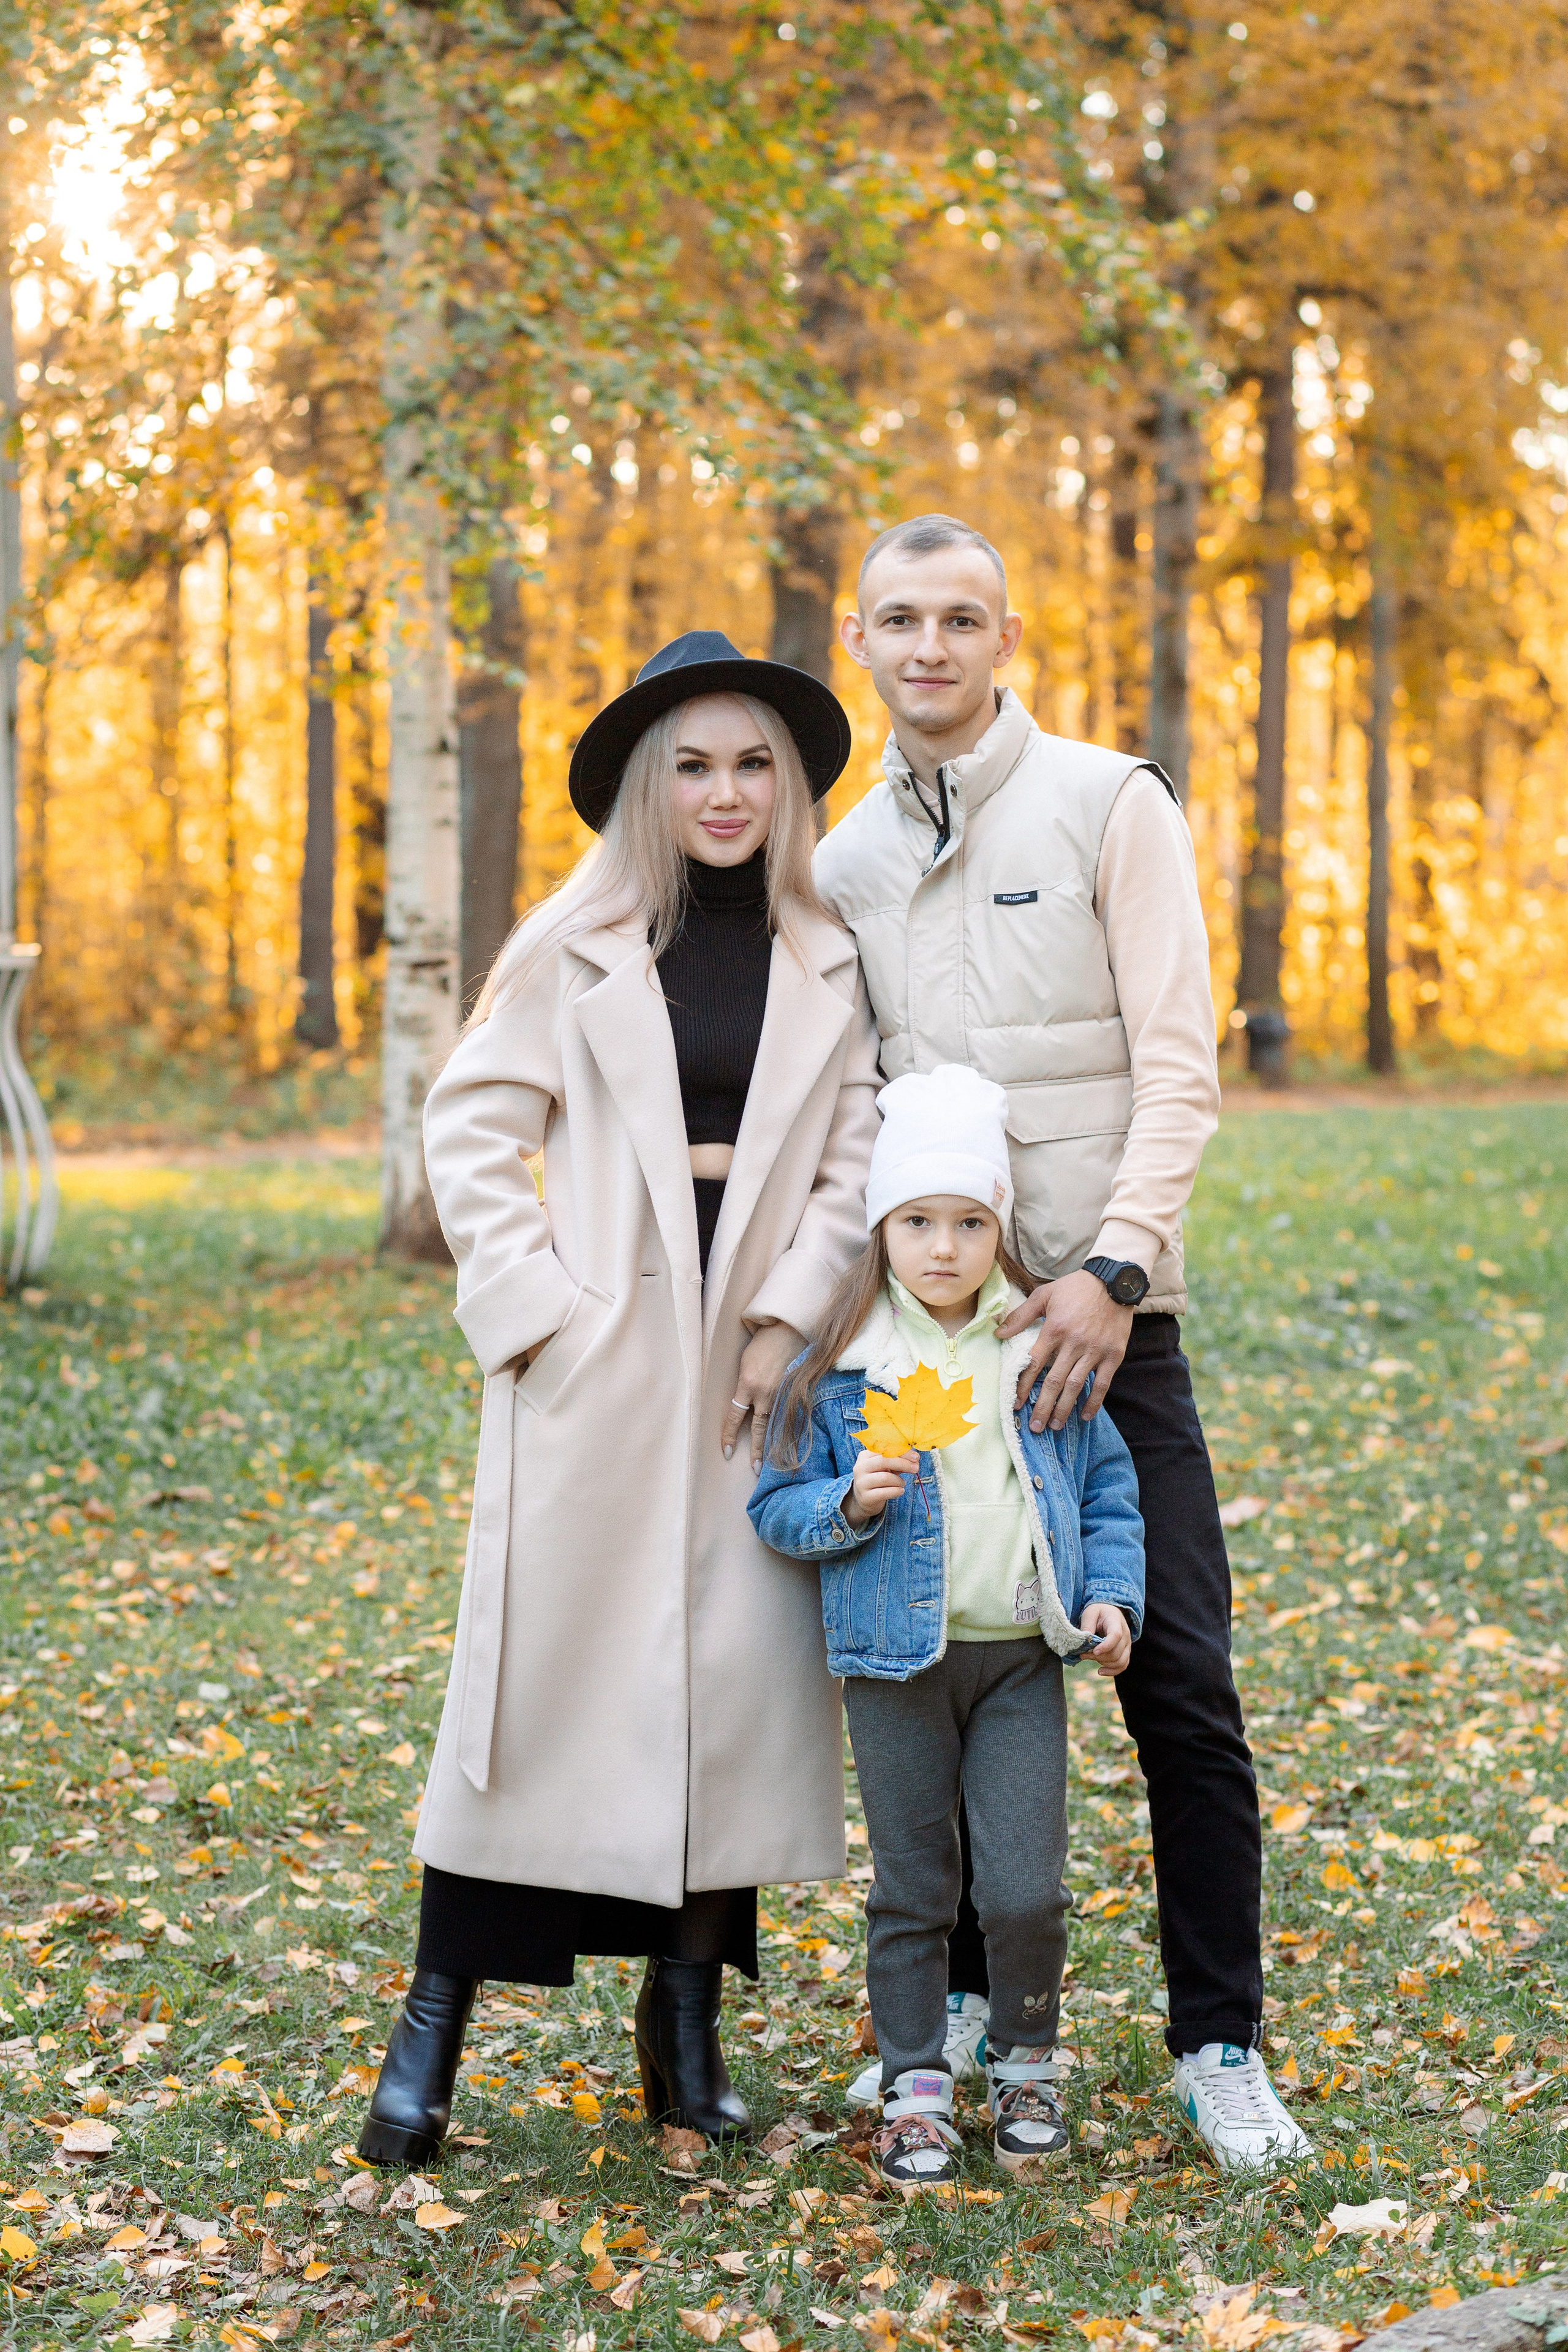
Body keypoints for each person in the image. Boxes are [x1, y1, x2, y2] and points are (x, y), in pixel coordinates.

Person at [815, 514, 1311, 2174]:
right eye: (902, 620)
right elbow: (852, 1111)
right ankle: (954, 2008)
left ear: (1006, 635)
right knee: (947, 1672)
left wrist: (1112, 1267)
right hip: (935, 1341)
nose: (932, 647)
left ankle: (1220, 2041)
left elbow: (1182, 1069)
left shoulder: (1112, 803)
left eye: (963, 618)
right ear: (861, 640)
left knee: (1175, 1680)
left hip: (1108, 1331)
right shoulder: (846, 861)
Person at [356, 631, 883, 2167]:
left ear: (786, 787)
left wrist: (794, 1320)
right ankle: (430, 2025)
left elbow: (855, 1157)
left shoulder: (828, 952)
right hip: (594, 1366)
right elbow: (470, 1129)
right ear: (649, 790)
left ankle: (684, 2022)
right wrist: (539, 1317)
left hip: (749, 1372)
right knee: (529, 1703)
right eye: (692, 767)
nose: (724, 794)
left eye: (752, 766)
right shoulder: (572, 942)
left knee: (729, 1691)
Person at [750, 1065, 1144, 2187]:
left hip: (1020, 1661)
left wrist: (1110, 1596)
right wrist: (846, 1501)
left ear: (999, 1231)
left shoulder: (1034, 1358)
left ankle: (1026, 2061)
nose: (943, 1247)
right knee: (914, 1888)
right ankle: (917, 2085)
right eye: (917, 1221)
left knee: (1024, 1887)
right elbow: (774, 1508)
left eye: (970, 1223)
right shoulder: (843, 1376)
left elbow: (1107, 1493)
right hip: (895, 1667)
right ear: (882, 1230)